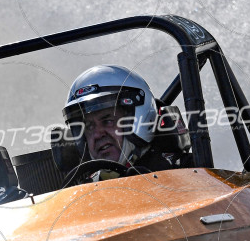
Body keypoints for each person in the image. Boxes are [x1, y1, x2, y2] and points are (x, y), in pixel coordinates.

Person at [61, 65, 191, 179]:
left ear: (139, 120)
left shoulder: (185, 174)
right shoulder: (79, 191)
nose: (97, 134)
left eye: (107, 121)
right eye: (89, 127)